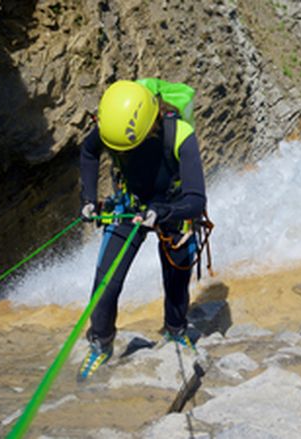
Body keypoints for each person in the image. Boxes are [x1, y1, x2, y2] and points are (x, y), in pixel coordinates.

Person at [77, 79, 207, 381]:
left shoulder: (180, 135)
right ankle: (101, 342)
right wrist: (88, 199)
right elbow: (88, 151)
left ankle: (176, 329)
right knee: (106, 283)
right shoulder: (113, 129)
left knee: (177, 276)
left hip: (173, 208)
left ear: (152, 126)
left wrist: (163, 212)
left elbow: (196, 200)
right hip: (131, 204)